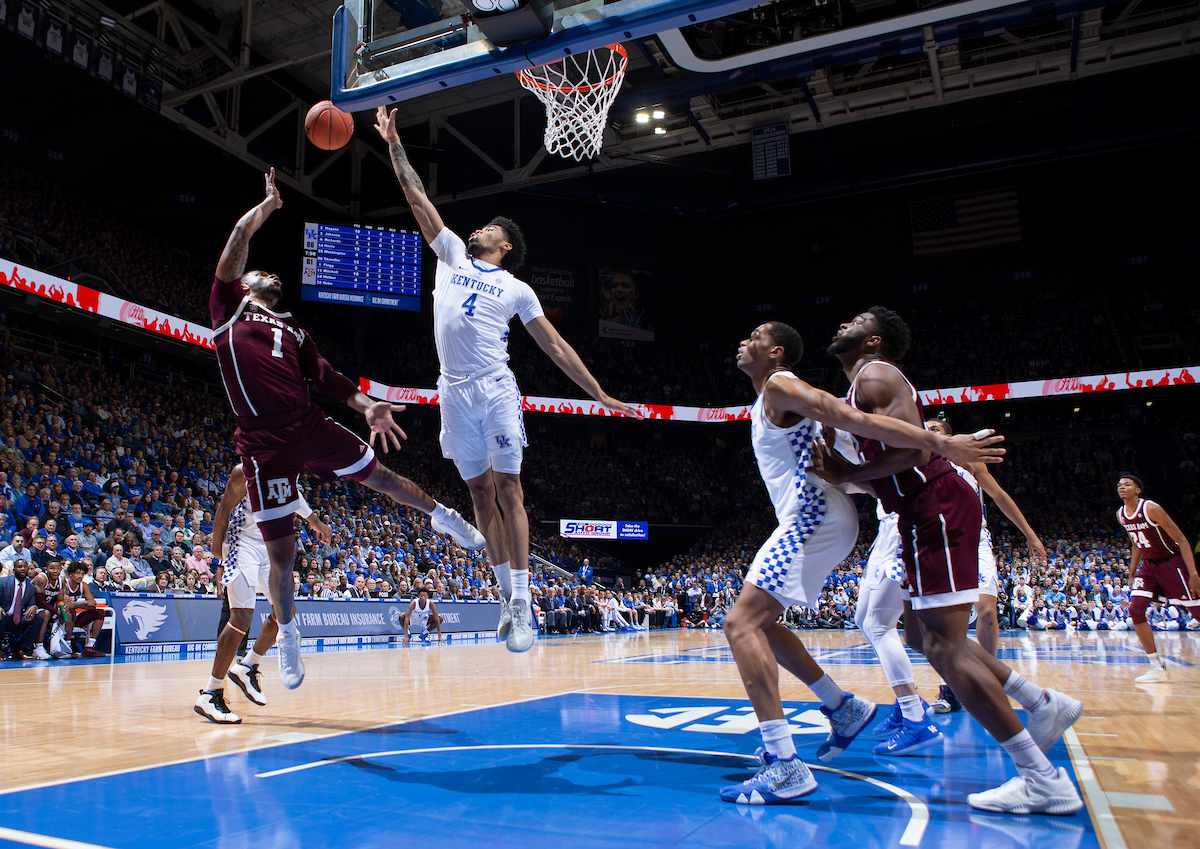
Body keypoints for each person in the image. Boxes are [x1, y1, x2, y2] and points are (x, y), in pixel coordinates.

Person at [375, 108, 642, 654]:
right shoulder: (449, 255)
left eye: (488, 230)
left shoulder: (518, 289)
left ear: (504, 248)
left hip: (495, 386)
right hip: (452, 390)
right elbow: (417, 200)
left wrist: (601, 394)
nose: (476, 230)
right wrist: (395, 144)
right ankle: (504, 596)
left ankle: (522, 602)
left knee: (508, 488)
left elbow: (554, 345)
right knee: (476, 491)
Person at [210, 168, 485, 689]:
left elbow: (329, 379)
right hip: (263, 443)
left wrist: (366, 406)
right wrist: (268, 207)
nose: (271, 274)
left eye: (273, 274)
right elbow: (238, 239)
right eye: (260, 272)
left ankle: (443, 516)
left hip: (307, 423)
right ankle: (286, 637)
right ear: (244, 284)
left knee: (381, 476)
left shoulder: (293, 328)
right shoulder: (227, 309)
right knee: (282, 557)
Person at [719, 320, 1007, 805]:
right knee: (761, 624)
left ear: (777, 352)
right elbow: (842, 437)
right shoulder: (768, 396)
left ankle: (785, 765)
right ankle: (842, 706)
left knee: (739, 623)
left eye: (755, 336)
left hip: (813, 515)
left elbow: (841, 414)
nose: (743, 340)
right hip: (815, 515)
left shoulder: (781, 384)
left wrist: (935, 443)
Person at [815, 306, 1082, 814]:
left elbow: (914, 457)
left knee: (943, 647)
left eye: (856, 321)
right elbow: (891, 466)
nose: (843, 324)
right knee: (919, 635)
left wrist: (848, 470)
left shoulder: (875, 374)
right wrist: (846, 475)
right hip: (920, 510)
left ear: (874, 342)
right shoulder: (864, 384)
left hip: (932, 506)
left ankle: (1041, 778)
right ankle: (1040, 702)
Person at [197, 464, 330, 724]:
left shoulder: (288, 464)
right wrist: (217, 548)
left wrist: (315, 521)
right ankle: (211, 692)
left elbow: (294, 495)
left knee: (286, 612)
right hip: (241, 542)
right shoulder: (244, 470)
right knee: (241, 618)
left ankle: (248, 665)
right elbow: (224, 507)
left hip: (267, 544)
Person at [1115, 474, 1199, 683]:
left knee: (1197, 612)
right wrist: (1132, 571)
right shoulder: (1121, 514)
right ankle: (1157, 667)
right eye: (1119, 485)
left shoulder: (1150, 508)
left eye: (1127, 484)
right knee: (1135, 610)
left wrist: (1194, 573)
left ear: (1138, 490)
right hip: (1150, 566)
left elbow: (1181, 538)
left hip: (1171, 562)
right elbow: (1136, 543)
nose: (1122, 487)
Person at [0, 559, 50, 660]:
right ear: (14, 569)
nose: (22, 569)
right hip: (4, 616)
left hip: (18, 618)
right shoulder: (3, 582)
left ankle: (22, 650)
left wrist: (33, 607)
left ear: (28, 570)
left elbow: (32, 603)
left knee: (38, 618)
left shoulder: (30, 587)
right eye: (19, 567)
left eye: (24, 567)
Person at [60, 561, 107, 657]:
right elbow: (66, 605)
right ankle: (67, 646)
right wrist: (83, 604)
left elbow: (92, 604)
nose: (80, 576)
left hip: (76, 616)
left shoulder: (84, 585)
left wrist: (76, 604)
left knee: (99, 613)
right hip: (62, 616)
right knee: (70, 611)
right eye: (77, 573)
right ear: (71, 574)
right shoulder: (64, 584)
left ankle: (89, 646)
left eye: (82, 574)